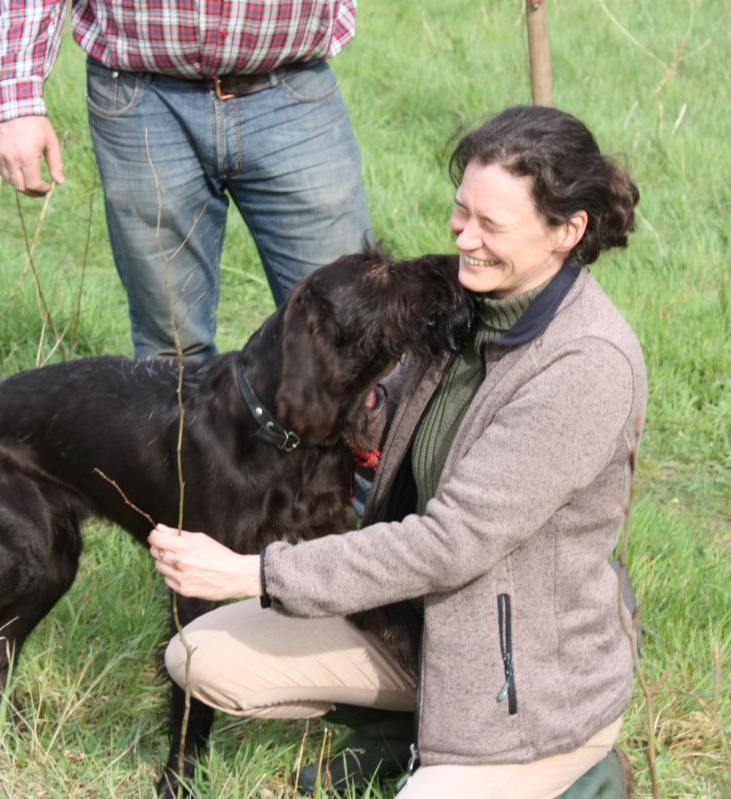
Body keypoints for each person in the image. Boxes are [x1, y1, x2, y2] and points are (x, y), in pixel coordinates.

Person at [148, 105, 646, 798]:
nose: (464, 237)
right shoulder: (472, 306)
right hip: (417, 626)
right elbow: (386, 426)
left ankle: (583, 767)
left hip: (522, 684)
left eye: (491, 225)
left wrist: (257, 570)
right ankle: (407, 724)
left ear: (568, 230)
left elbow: (447, 545)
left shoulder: (584, 366)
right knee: (200, 653)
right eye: (460, 210)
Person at [0, 1, 374, 360]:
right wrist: (18, 100)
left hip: (293, 85)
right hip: (141, 98)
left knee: (349, 333)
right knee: (171, 351)